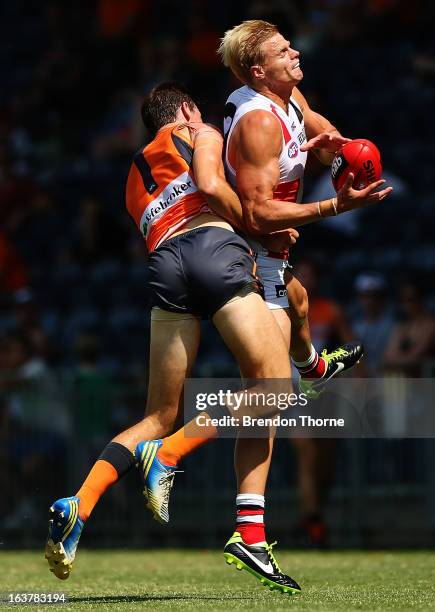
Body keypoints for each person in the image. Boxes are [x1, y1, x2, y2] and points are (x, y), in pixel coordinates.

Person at [45, 82, 302, 594]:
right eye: (197, 112)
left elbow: (165, 219)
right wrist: (255, 223)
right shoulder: (198, 132)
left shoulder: (131, 177)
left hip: (165, 267)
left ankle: (79, 504)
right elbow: (209, 188)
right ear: (185, 112)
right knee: (276, 389)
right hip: (211, 247)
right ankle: (170, 455)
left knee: (157, 414)